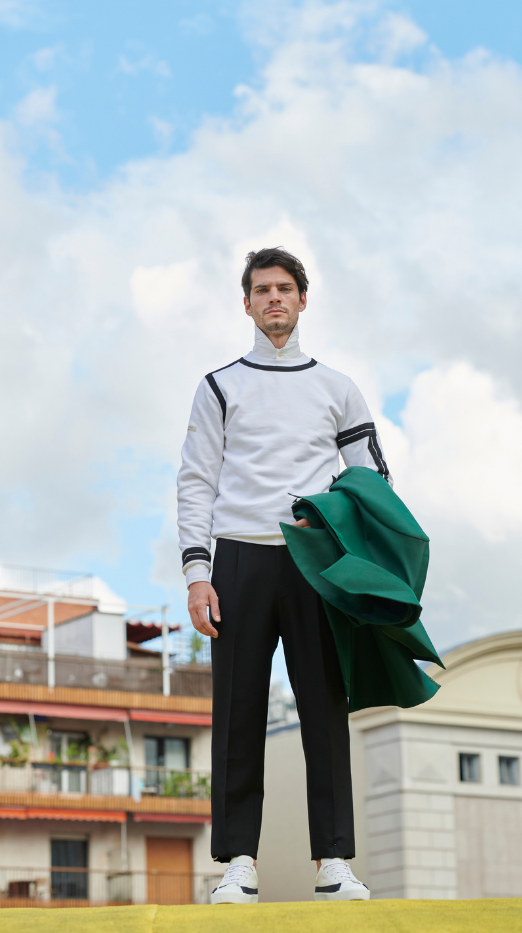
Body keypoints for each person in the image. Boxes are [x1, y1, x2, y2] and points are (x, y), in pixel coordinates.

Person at [177, 247, 391, 904]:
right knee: (237, 712)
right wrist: (197, 573)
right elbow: (196, 480)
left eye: (285, 288)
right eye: (262, 289)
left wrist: (356, 560)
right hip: (239, 556)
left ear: (303, 300)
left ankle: (334, 861)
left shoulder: (338, 387)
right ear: (246, 303)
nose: (275, 298)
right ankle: (238, 862)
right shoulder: (218, 385)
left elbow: (373, 478)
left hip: (313, 559)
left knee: (324, 708)